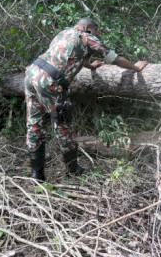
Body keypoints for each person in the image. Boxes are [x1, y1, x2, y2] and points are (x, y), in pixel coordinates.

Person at [24, 17, 148, 181]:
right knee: (62, 126)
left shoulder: (64, 33)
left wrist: (90, 65)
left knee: (34, 124)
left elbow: (63, 57)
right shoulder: (87, 36)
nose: (96, 34)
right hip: (50, 83)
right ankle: (73, 169)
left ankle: (36, 175)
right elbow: (114, 58)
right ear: (89, 28)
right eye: (96, 31)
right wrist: (135, 67)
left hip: (31, 74)